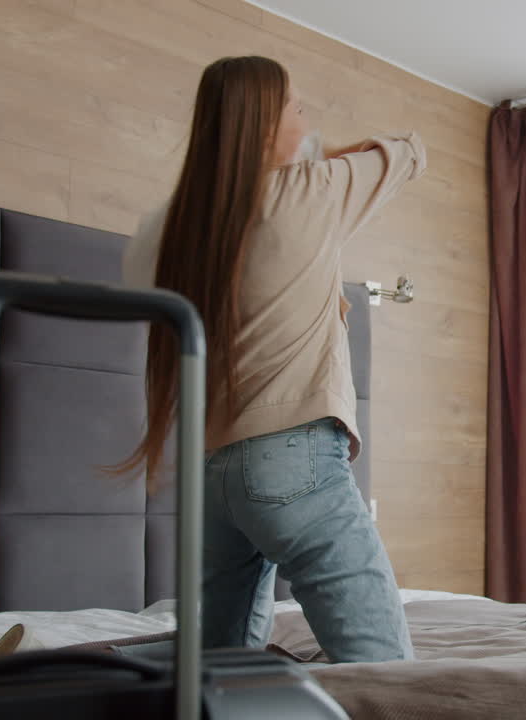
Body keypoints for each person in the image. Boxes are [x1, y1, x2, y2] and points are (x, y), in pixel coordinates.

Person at [120, 55, 424, 661]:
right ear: (263, 125)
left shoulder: (173, 232)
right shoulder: (308, 191)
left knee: (218, 666)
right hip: (295, 462)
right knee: (382, 669)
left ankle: (106, 668)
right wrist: (329, 151)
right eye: (297, 107)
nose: (307, 118)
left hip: (214, 474)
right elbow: (411, 150)